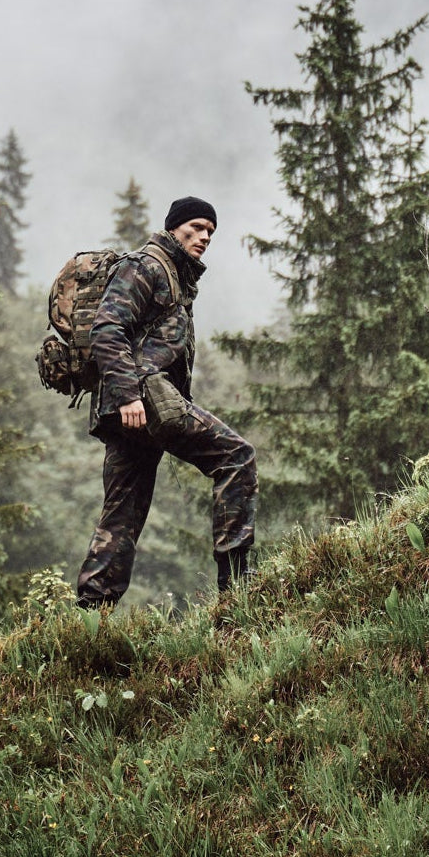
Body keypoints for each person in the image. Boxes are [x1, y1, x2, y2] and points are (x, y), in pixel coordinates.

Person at [76, 196, 258, 608]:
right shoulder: (147, 266)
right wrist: (128, 396)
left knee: (121, 514)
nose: (205, 236)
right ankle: (238, 592)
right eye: (196, 227)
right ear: (175, 227)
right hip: (144, 404)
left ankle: (91, 616)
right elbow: (106, 330)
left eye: (211, 231)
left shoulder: (175, 275)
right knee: (237, 456)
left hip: (136, 409)